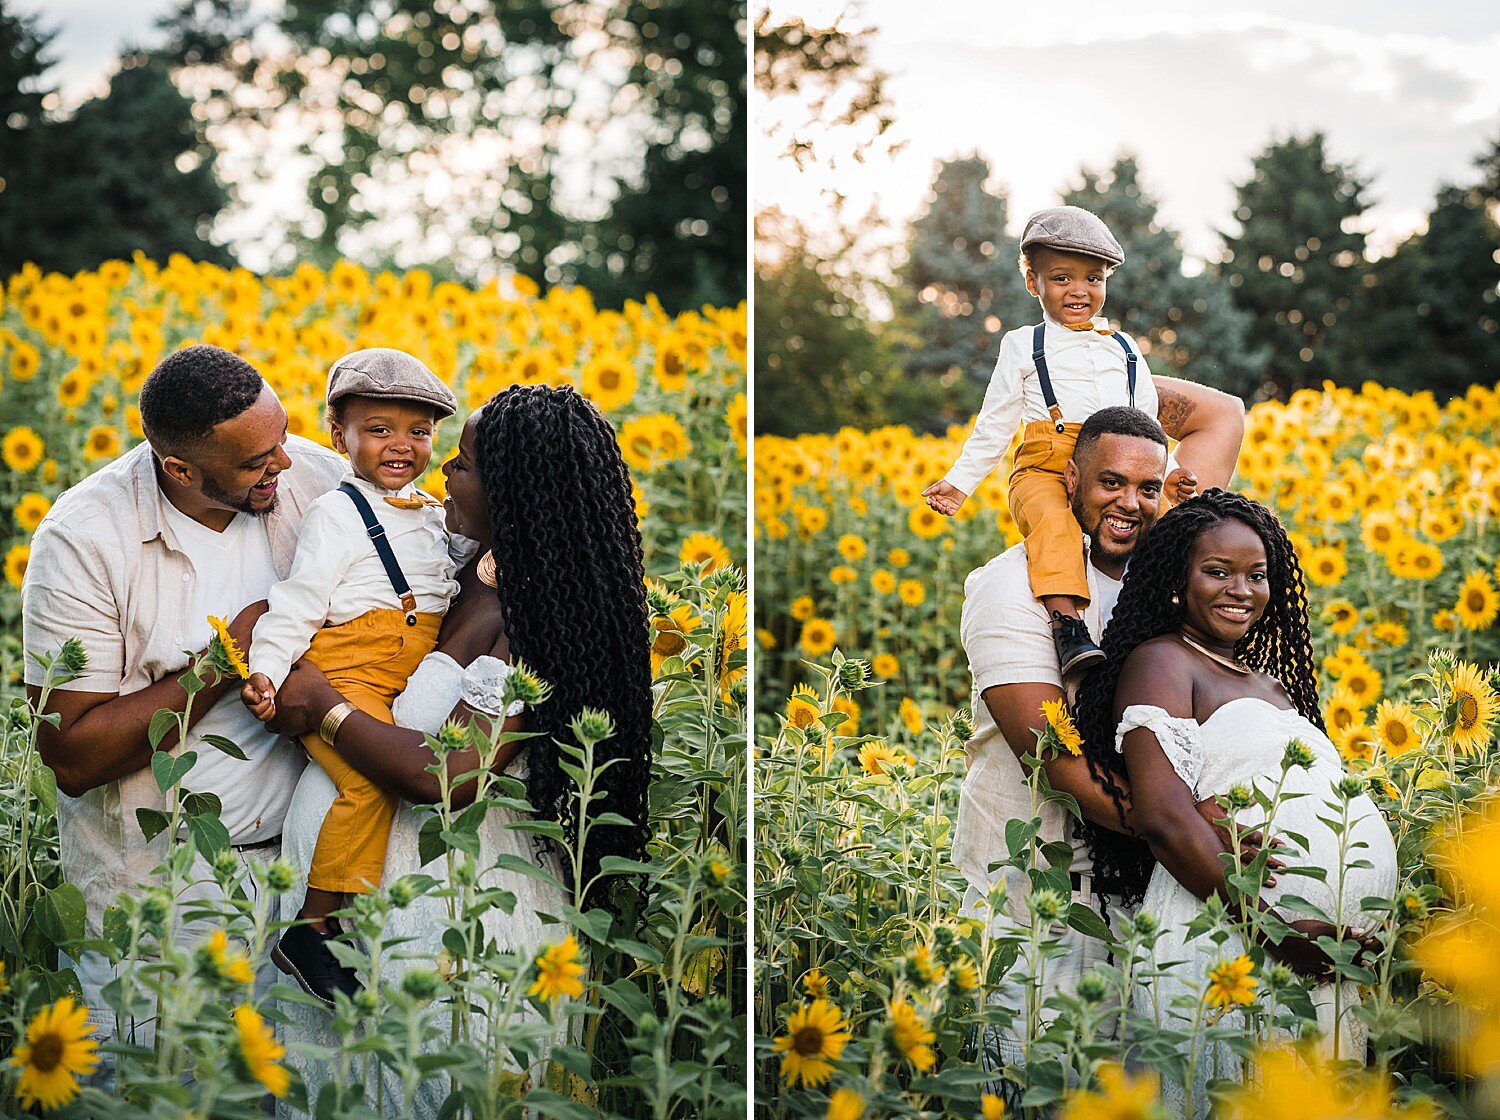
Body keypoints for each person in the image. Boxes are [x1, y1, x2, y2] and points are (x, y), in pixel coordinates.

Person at [263, 384, 653, 1115]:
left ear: (510, 491)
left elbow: (455, 773)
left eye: (465, 464)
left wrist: (326, 705)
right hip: (361, 903)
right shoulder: (454, 560)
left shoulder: (536, 620)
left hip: (449, 923)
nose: (443, 470)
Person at [20, 345, 346, 1068]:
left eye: (284, 437)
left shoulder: (319, 481)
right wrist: (224, 661)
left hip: (306, 881)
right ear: (180, 470)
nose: (284, 465)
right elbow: (72, 755)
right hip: (156, 897)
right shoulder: (85, 539)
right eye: (257, 460)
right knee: (157, 1087)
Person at [1072, 489, 1397, 1115]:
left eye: (1256, 574)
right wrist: (1276, 933)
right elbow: (1165, 818)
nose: (1240, 589)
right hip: (1233, 941)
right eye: (1217, 572)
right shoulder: (1161, 662)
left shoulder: (1271, 683)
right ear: (1175, 581)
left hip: (1313, 963)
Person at [954, 401, 1252, 1068]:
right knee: (1033, 1090)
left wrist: (1102, 368)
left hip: (1147, 896)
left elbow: (1223, 413)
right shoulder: (1012, 588)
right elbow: (1059, 768)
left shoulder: (1161, 582)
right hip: (1036, 906)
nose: (1132, 503)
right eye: (1109, 482)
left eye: (1148, 488)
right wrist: (1198, 834)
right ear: (1070, 481)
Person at [239, 348, 469, 1006]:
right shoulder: (337, 516)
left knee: (380, 777)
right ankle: (312, 927)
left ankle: (337, 919)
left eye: (419, 432)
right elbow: (298, 603)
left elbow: (442, 574)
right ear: (339, 436)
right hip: (346, 665)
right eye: (379, 429)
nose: (402, 445)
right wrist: (266, 672)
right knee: (370, 780)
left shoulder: (423, 511)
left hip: (393, 667)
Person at [923, 205, 1232, 675]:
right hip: (1046, 464)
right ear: (1034, 284)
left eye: (1093, 278)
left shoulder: (1125, 349)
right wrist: (959, 482)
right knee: (1053, 523)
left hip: (1123, 465)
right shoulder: (1023, 345)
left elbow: (1146, 423)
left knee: (1174, 528)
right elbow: (995, 422)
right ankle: (1068, 628)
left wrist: (1170, 475)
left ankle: (1173, 624)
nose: (1079, 291)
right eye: (1062, 278)